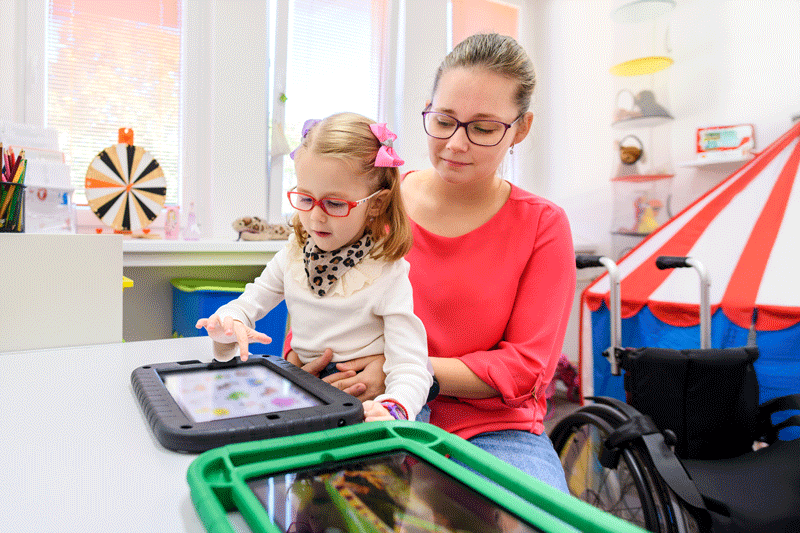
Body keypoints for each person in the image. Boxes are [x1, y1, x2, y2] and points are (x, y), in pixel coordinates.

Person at [288, 34, 575, 492]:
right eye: (444, 121)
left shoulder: (542, 226)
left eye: (483, 129)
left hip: (491, 431)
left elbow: (526, 367)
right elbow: (315, 295)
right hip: (367, 408)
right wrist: (305, 360)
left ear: (521, 128)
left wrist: (406, 368)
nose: (456, 144)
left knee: (536, 518)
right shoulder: (375, 201)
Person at [196, 112, 433, 423]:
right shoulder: (292, 257)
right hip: (309, 388)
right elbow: (247, 304)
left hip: (374, 399)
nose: (316, 217)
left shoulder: (387, 272)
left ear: (376, 203)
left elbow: (411, 365)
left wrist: (394, 407)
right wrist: (229, 323)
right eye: (306, 199)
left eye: (334, 204)